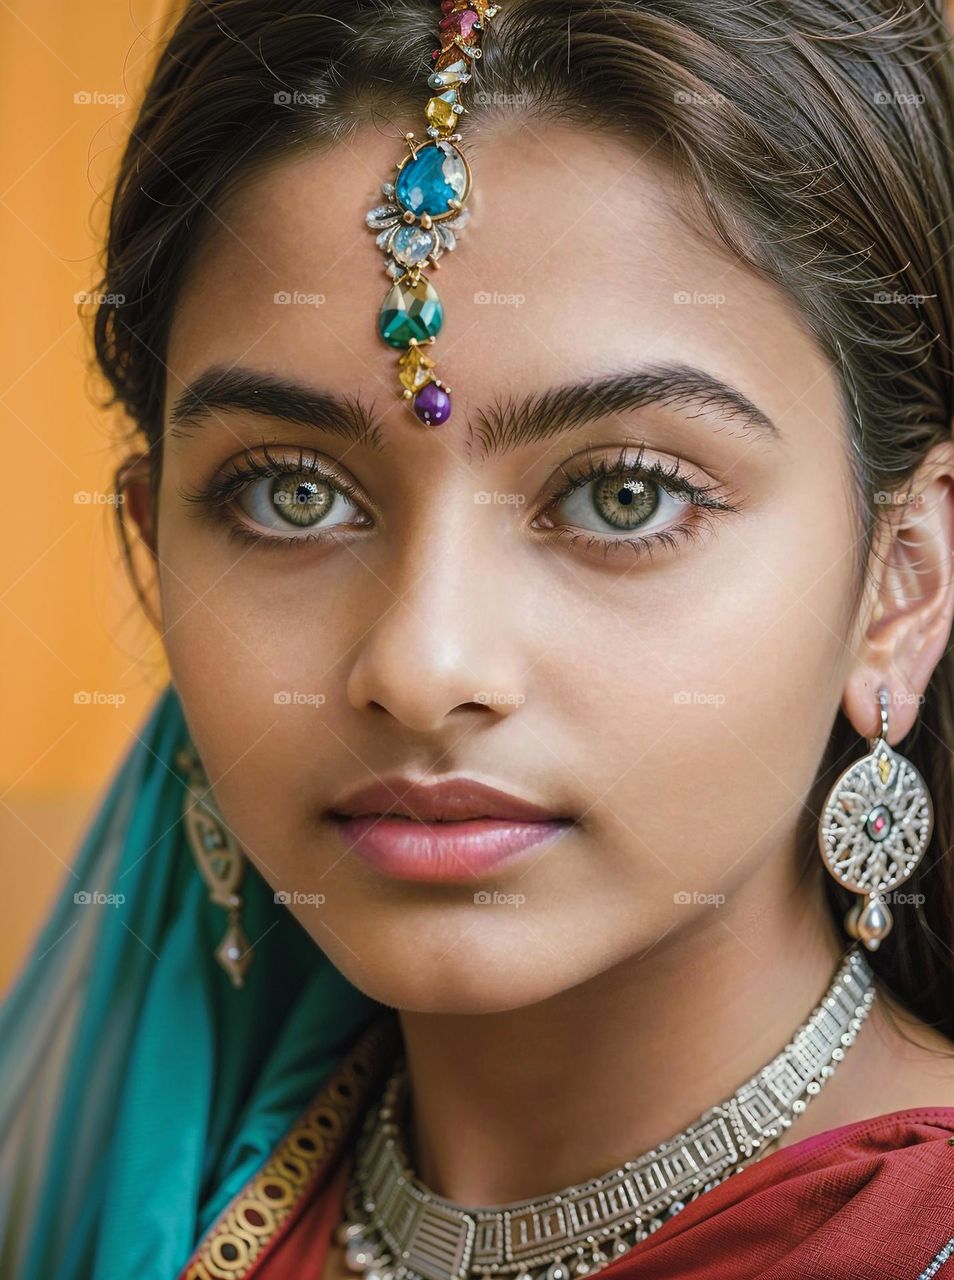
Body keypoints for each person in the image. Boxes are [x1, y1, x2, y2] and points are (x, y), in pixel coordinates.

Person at [3, 1, 954, 1277]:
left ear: (904, 579)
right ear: (149, 546)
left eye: (627, 493)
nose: (422, 664)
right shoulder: (140, 1198)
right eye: (292, 493)